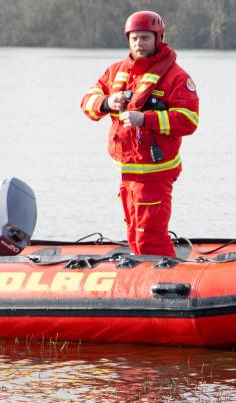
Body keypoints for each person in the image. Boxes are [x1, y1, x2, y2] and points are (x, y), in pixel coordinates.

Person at [80, 11, 199, 257]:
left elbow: (188, 120)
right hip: (128, 173)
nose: (138, 43)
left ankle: (167, 282)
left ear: (158, 38)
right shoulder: (116, 72)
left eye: (144, 38)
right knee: (135, 233)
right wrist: (107, 102)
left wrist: (146, 119)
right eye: (134, 38)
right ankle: (143, 283)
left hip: (155, 173)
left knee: (150, 238)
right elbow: (87, 101)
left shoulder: (176, 77)